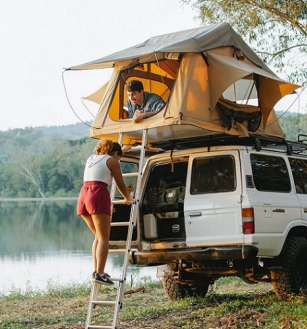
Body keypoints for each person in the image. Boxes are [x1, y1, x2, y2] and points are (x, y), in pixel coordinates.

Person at [77, 139, 132, 285]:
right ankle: (100, 274)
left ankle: (97, 271)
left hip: (84, 195)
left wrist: (123, 150)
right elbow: (120, 183)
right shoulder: (112, 161)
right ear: (115, 154)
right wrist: (127, 197)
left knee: (98, 236)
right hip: (97, 194)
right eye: (119, 157)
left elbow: (107, 159)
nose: (118, 160)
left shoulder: (91, 158)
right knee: (104, 238)